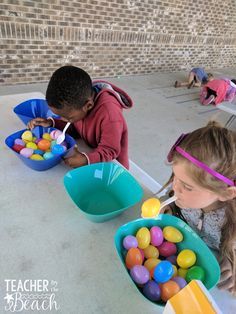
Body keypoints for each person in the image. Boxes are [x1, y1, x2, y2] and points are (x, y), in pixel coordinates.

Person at [159, 121, 236, 295]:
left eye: (187, 186)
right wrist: (169, 207)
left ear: (225, 193)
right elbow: (170, 197)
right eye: (174, 176)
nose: (175, 188)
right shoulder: (185, 195)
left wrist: (232, 265)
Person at [27, 65, 133, 169]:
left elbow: (110, 150)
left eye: (68, 117)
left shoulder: (110, 114)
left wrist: (86, 159)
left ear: (88, 106)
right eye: (60, 116)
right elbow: (75, 128)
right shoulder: (78, 106)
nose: (63, 120)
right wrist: (51, 123)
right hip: (91, 151)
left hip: (112, 168)